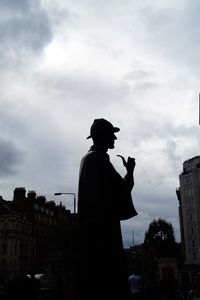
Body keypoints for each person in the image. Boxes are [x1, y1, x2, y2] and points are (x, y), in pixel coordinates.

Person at [77, 118, 138, 300]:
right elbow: (121, 190)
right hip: (104, 234)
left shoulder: (89, 159)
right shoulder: (98, 160)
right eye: (112, 134)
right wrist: (130, 172)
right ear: (102, 136)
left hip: (94, 234)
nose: (114, 138)